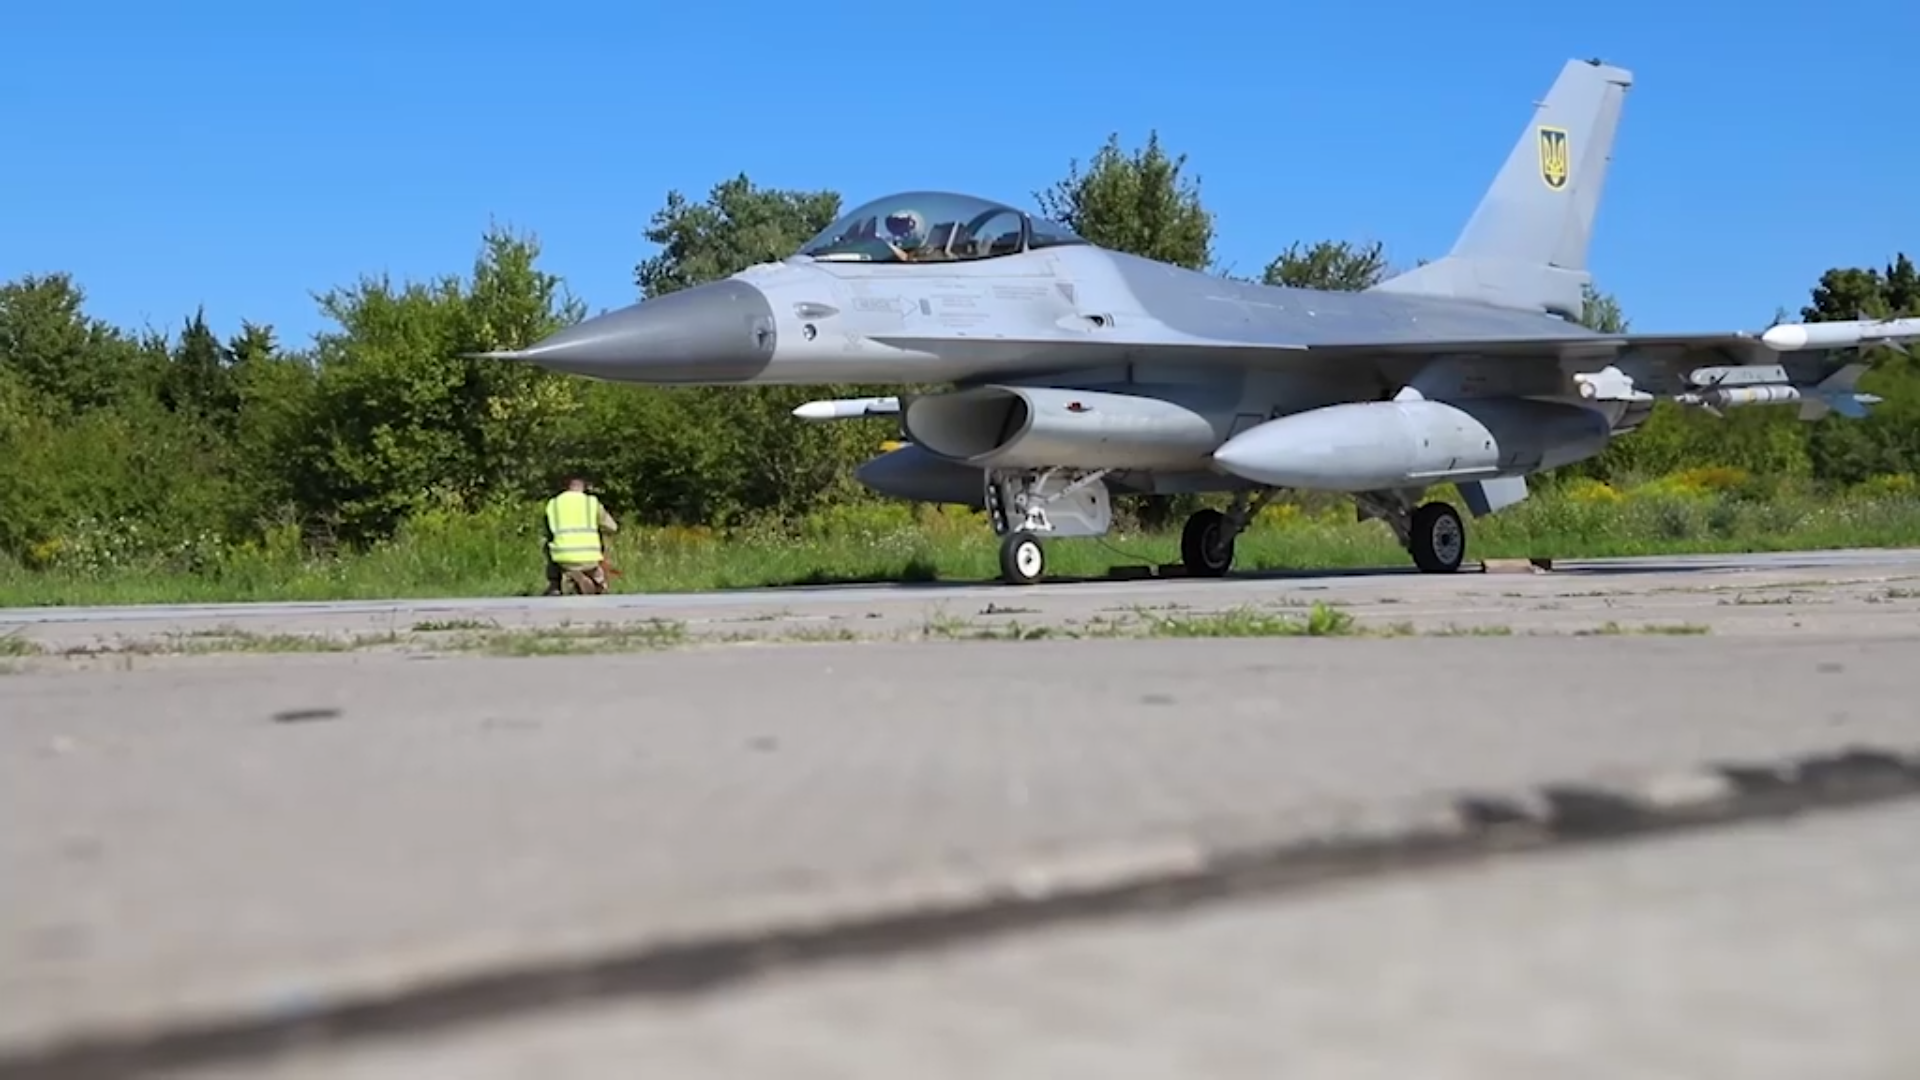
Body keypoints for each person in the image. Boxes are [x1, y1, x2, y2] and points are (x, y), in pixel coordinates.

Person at [541, 477, 618, 595]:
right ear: (584, 487)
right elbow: (612, 527)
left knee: (549, 544)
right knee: (596, 567)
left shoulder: (554, 503)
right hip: (591, 556)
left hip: (563, 557)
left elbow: (548, 531)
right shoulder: (591, 502)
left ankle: (555, 586)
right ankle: (599, 583)